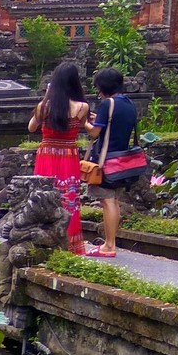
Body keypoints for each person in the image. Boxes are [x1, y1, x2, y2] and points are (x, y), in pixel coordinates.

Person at [28, 62, 90, 254]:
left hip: (47, 154)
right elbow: (85, 127)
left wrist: (45, 98)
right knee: (68, 198)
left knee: (43, 196)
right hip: (68, 155)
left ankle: (42, 238)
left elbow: (31, 128)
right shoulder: (82, 107)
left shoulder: (44, 107)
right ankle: (69, 242)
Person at [83, 66, 139, 258]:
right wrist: (96, 119)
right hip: (122, 162)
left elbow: (94, 133)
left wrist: (83, 121)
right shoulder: (129, 103)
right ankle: (110, 242)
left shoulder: (108, 104)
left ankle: (109, 245)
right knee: (113, 200)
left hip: (106, 161)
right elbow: (114, 126)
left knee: (107, 202)